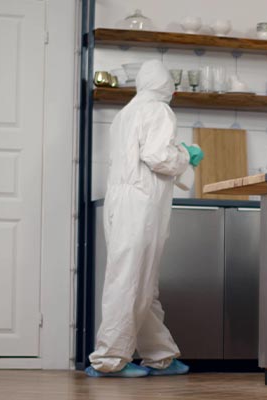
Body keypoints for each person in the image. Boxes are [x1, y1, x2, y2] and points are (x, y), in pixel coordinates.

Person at [85, 59, 204, 378]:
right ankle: (109, 360)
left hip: (122, 201)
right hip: (141, 204)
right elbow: (158, 156)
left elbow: (143, 151)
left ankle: (159, 355)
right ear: (166, 86)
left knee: (140, 281)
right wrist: (185, 155)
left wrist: (177, 150)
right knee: (130, 280)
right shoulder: (159, 110)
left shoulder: (126, 113)